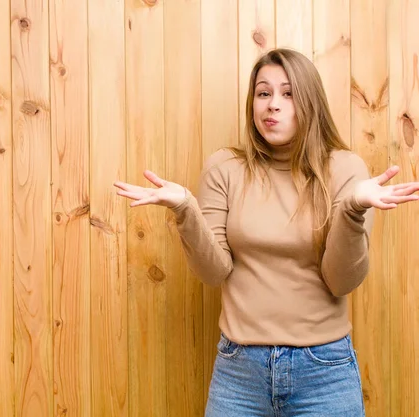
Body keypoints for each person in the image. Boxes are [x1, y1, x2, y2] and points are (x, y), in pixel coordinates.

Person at [113, 48, 419, 416]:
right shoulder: (225, 168)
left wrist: (352, 209)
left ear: (310, 101)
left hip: (325, 371)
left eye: (288, 93)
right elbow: (214, 272)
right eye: (264, 93)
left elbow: (341, 281)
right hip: (239, 371)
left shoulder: (345, 169)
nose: (273, 105)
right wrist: (185, 209)